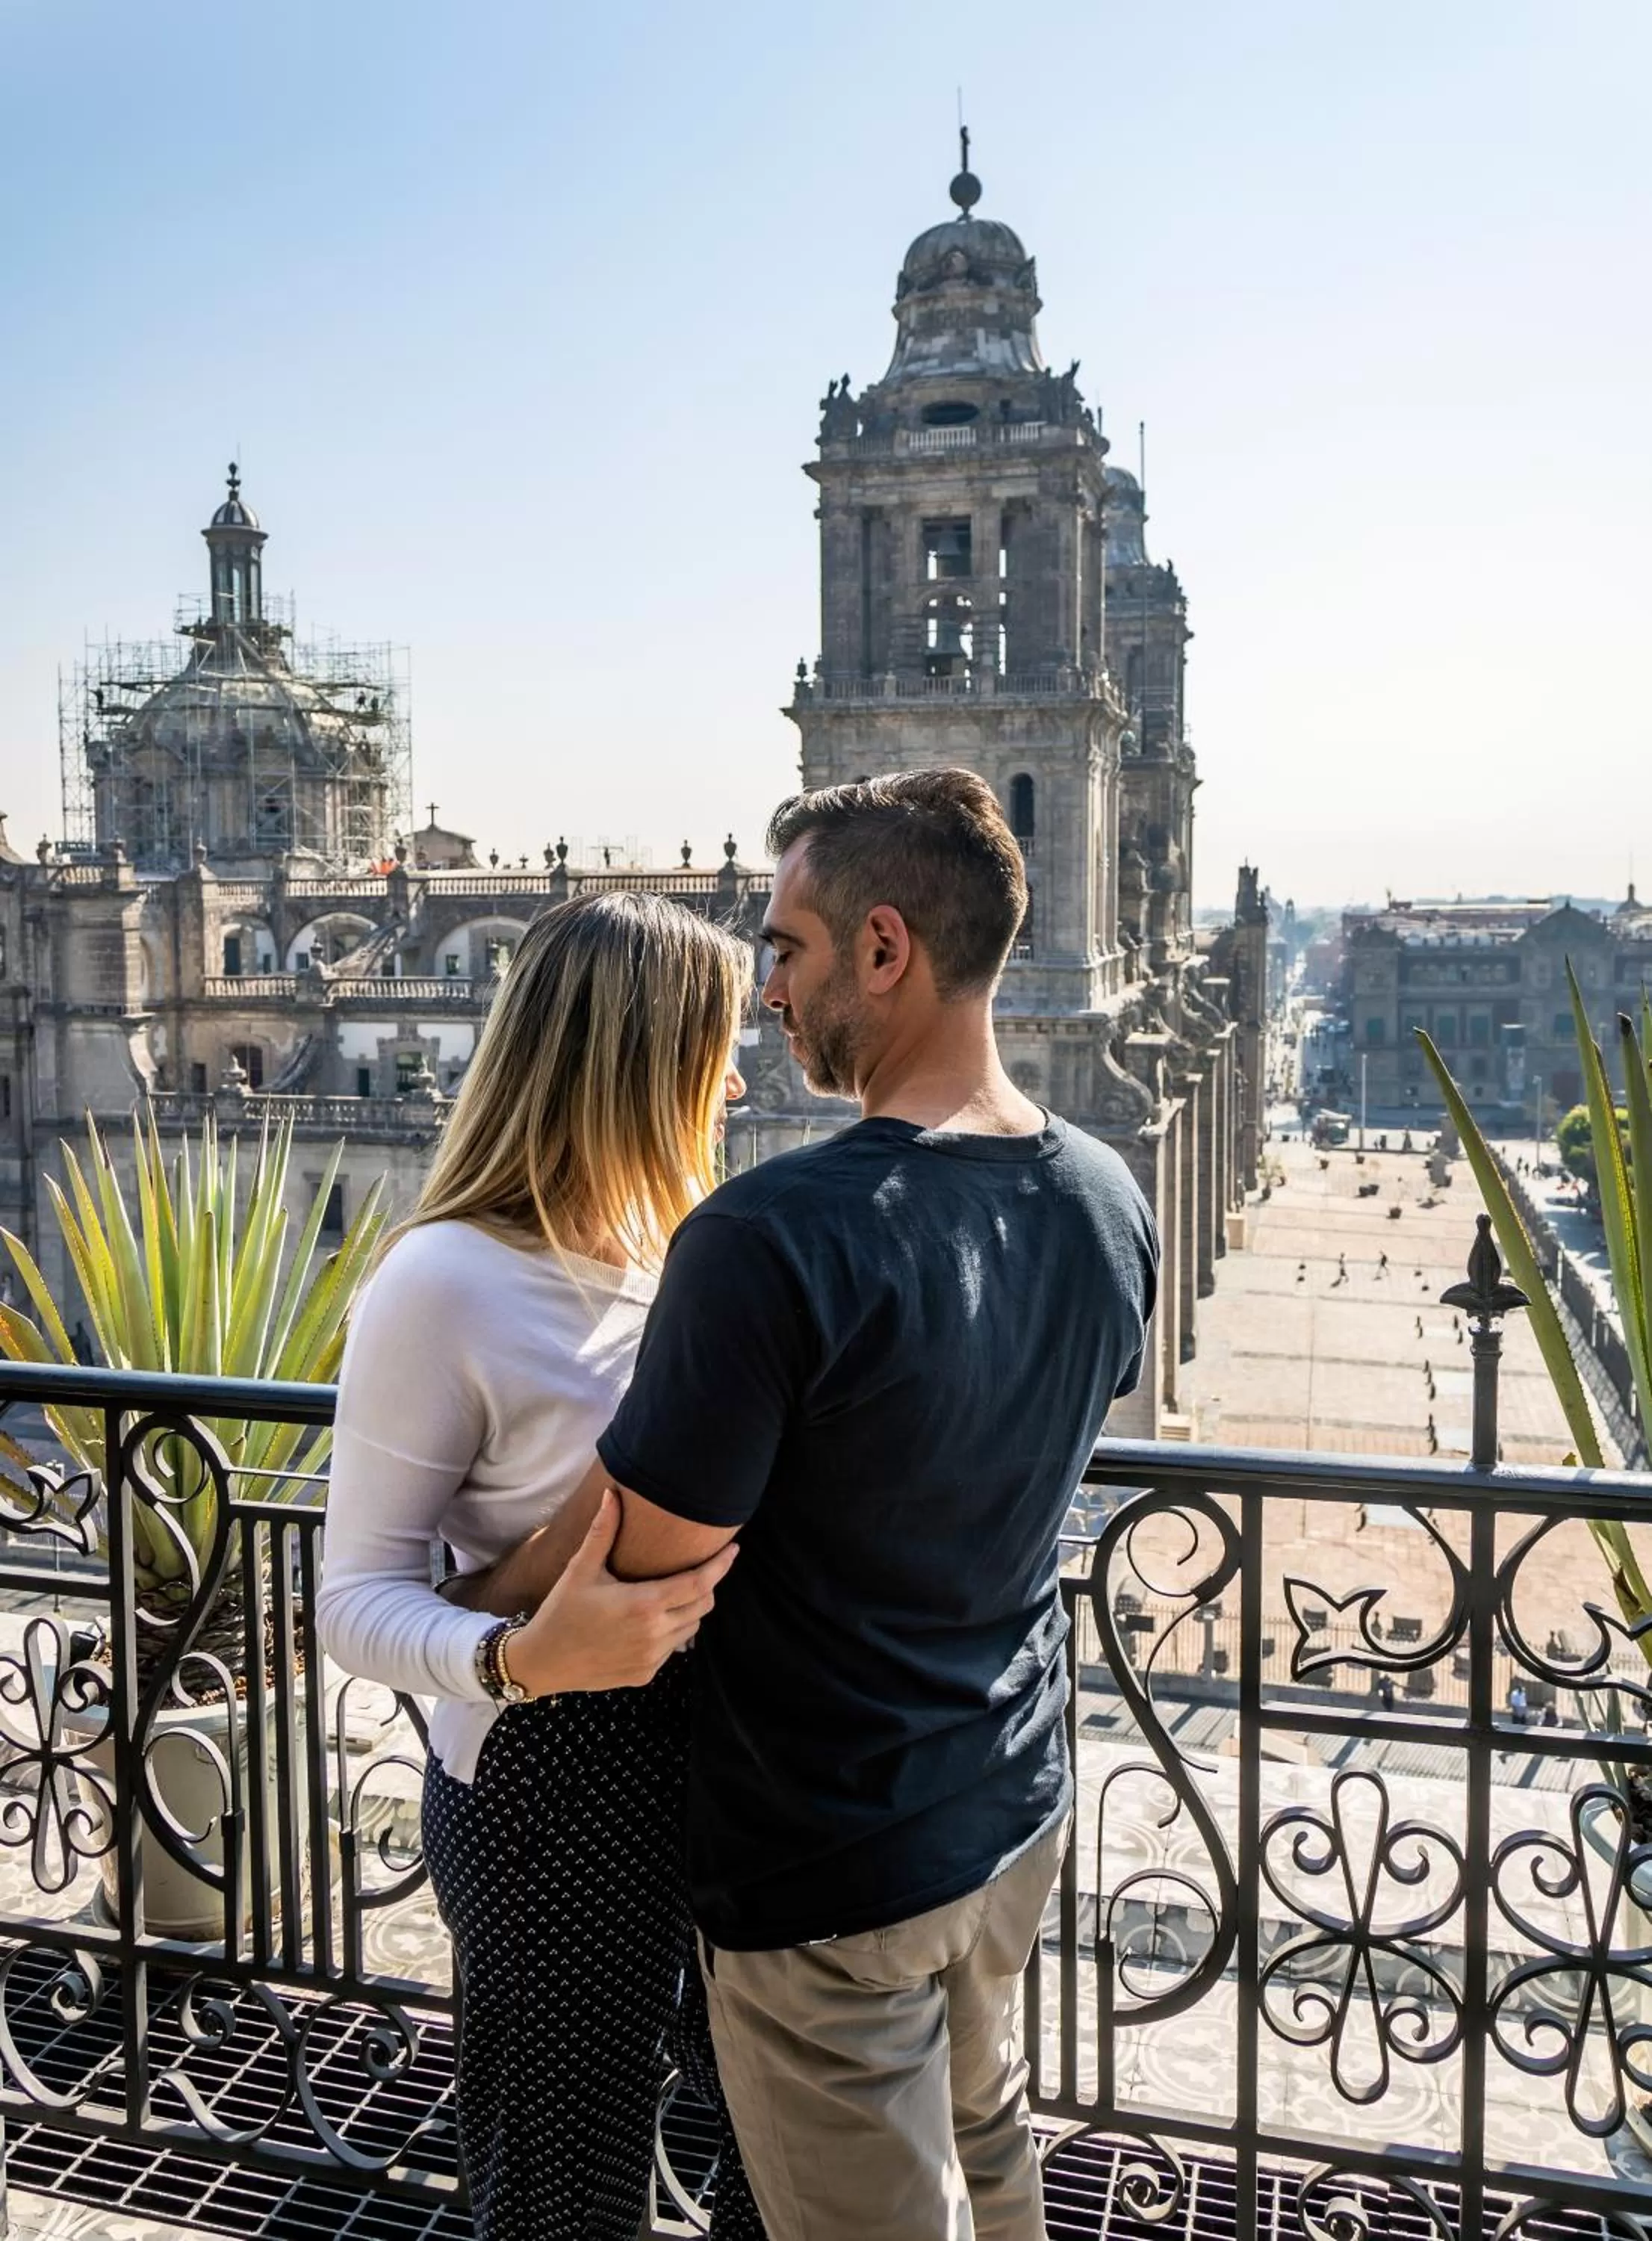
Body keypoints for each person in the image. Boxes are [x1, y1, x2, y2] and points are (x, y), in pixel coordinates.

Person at [473, 769, 1159, 2241]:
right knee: (988, 2164)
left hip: (829, 1861)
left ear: (885, 949)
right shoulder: (1107, 1197)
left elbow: (642, 1584)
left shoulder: (771, 1236)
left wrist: (480, 1590)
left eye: (784, 950)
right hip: (1009, 1806)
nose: (764, 993)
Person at [316, 893, 765, 2241]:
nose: (740, 1078)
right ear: (637, 1060)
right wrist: (519, 1660)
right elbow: (350, 1599)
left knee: (767, 2168)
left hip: (726, 1780)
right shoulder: (443, 1281)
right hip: (545, 1788)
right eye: (715, 1046)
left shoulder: (684, 1255)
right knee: (566, 2200)